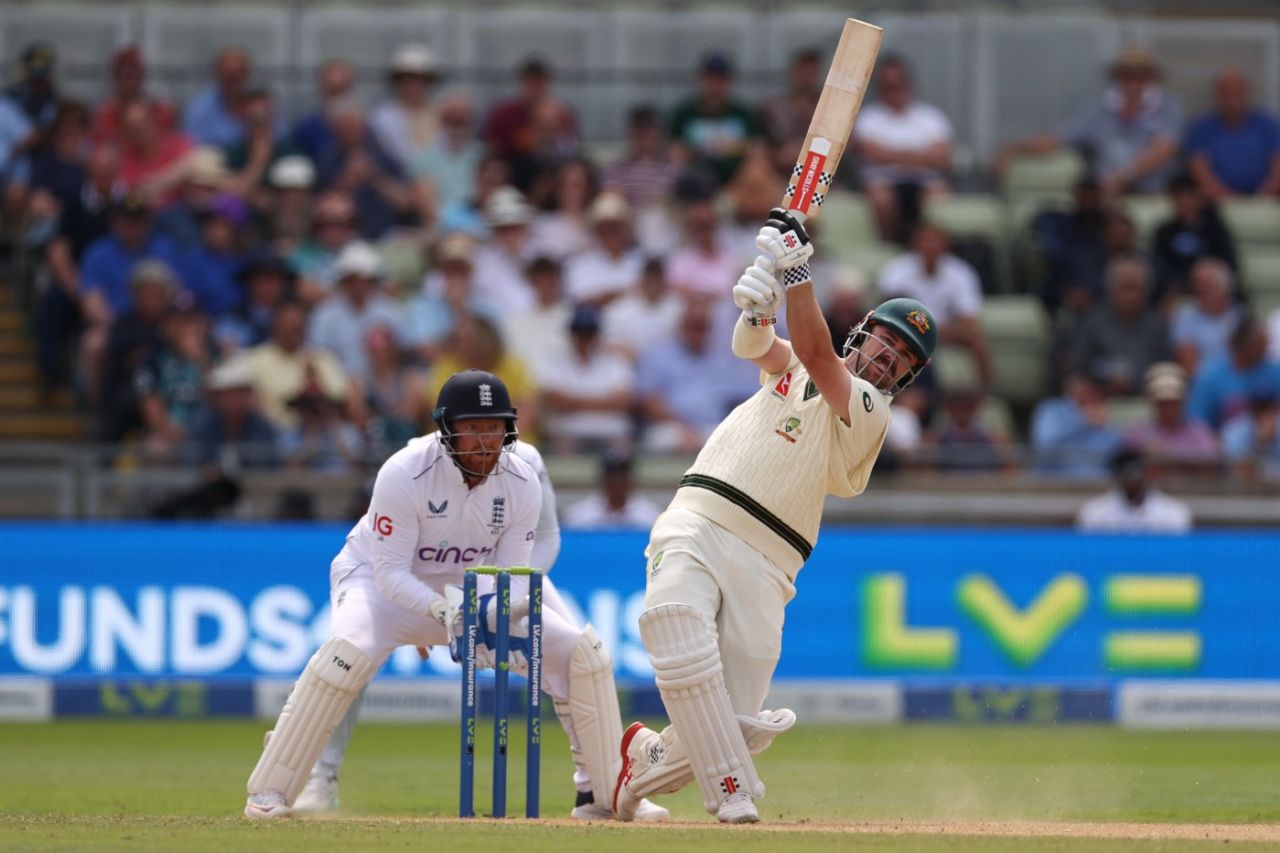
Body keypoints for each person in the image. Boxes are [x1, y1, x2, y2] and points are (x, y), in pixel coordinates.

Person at [611, 209, 937, 823]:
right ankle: (731, 790)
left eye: (902, 357)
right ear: (863, 331)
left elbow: (814, 348)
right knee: (677, 629)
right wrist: (758, 310)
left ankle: (643, 761)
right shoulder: (803, 366)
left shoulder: (870, 409)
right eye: (886, 340)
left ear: (907, 377)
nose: (888, 357)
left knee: (735, 721)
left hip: (771, 559)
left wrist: (795, 271)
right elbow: (756, 348)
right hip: (702, 514)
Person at [243, 370, 667, 822]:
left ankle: (604, 795)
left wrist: (494, 614)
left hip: (471, 585)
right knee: (345, 656)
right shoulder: (404, 473)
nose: (485, 441)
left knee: (583, 655)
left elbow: (512, 575)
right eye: (473, 428)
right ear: (446, 429)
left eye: (494, 427)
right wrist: (438, 611)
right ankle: (270, 790)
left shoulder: (521, 479)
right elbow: (389, 573)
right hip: (377, 581)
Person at [994, 44, 1183, 197]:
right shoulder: (1097, 107)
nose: (1133, 83)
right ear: (1117, 76)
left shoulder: (1168, 106)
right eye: (1128, 76)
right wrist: (1016, 147)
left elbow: (1164, 149)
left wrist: (1124, 175)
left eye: (1140, 77)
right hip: (1107, 194)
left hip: (1153, 193)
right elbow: (1057, 137)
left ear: (1151, 78)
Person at [851, 55, 954, 243]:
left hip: (925, 181)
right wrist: (921, 156)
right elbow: (872, 154)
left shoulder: (931, 116)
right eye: (887, 86)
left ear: (908, 84)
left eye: (898, 85)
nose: (893, 91)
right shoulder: (868, 117)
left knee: (939, 197)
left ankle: (929, 247)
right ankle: (887, 244)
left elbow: (941, 157)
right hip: (882, 181)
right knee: (882, 199)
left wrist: (891, 155)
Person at [1185, 67, 1280, 199]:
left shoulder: (1268, 124)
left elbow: (1277, 164)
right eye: (1226, 93)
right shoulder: (1202, 127)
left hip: (1265, 199)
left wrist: (1263, 196)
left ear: (1246, 94)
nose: (1232, 99)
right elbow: (1199, 168)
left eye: (1237, 92)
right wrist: (1226, 197)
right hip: (1217, 200)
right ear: (1217, 95)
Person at [1075, 448, 1193, 533]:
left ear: (1148, 474)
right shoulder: (1095, 511)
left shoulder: (1173, 511)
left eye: (1138, 473)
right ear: (1117, 476)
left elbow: (1178, 552)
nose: (1133, 479)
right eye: (1127, 474)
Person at [564, 450, 662, 529]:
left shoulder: (650, 516)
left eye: (622, 479)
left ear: (631, 480)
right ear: (603, 481)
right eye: (612, 480)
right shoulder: (578, 517)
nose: (617, 485)